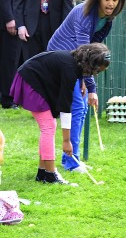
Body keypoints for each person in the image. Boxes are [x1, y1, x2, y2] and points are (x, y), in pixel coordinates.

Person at [47, 0, 126, 171]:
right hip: (61, 58)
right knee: (77, 107)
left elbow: (95, 53)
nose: (111, 3)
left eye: (115, 0)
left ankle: (74, 159)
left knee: (81, 109)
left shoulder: (107, 19)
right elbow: (85, 53)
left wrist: (85, 80)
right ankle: (70, 162)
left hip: (76, 61)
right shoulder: (83, 13)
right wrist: (90, 87)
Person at [10, 43, 111, 184]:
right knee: (48, 127)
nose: (95, 73)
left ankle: (42, 172)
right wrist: (66, 141)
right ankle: (51, 175)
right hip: (30, 81)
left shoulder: (74, 63)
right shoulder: (69, 68)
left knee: (49, 126)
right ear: (91, 64)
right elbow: (65, 105)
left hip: (36, 80)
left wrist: (81, 80)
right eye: (97, 70)